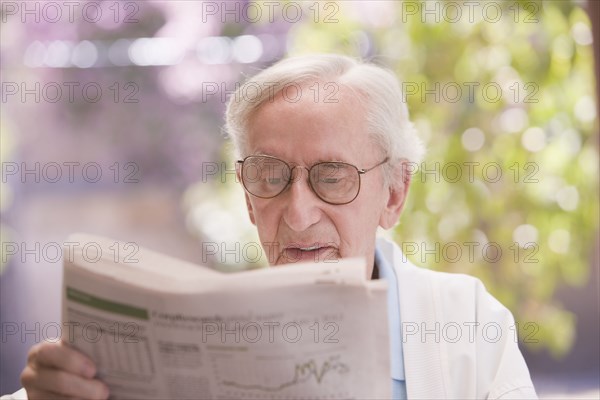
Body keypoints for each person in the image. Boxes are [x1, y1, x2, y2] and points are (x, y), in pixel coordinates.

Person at [3, 54, 537, 399]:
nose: (298, 213)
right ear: (247, 196)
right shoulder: (181, 337)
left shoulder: (466, 324)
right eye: (269, 176)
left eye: (332, 178)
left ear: (393, 194)